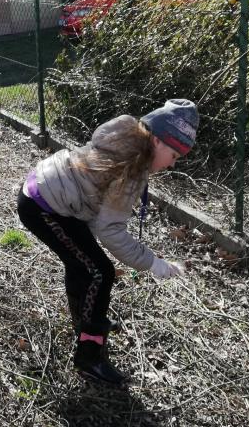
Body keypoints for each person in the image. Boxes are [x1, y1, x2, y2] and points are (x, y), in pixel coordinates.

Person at [16, 99, 199, 385]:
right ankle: (89, 357)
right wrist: (153, 263)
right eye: (174, 155)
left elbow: (97, 206)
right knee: (100, 273)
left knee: (83, 265)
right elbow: (110, 231)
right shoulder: (133, 167)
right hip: (43, 207)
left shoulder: (127, 142)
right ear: (158, 141)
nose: (172, 164)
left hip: (44, 190)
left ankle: (85, 323)